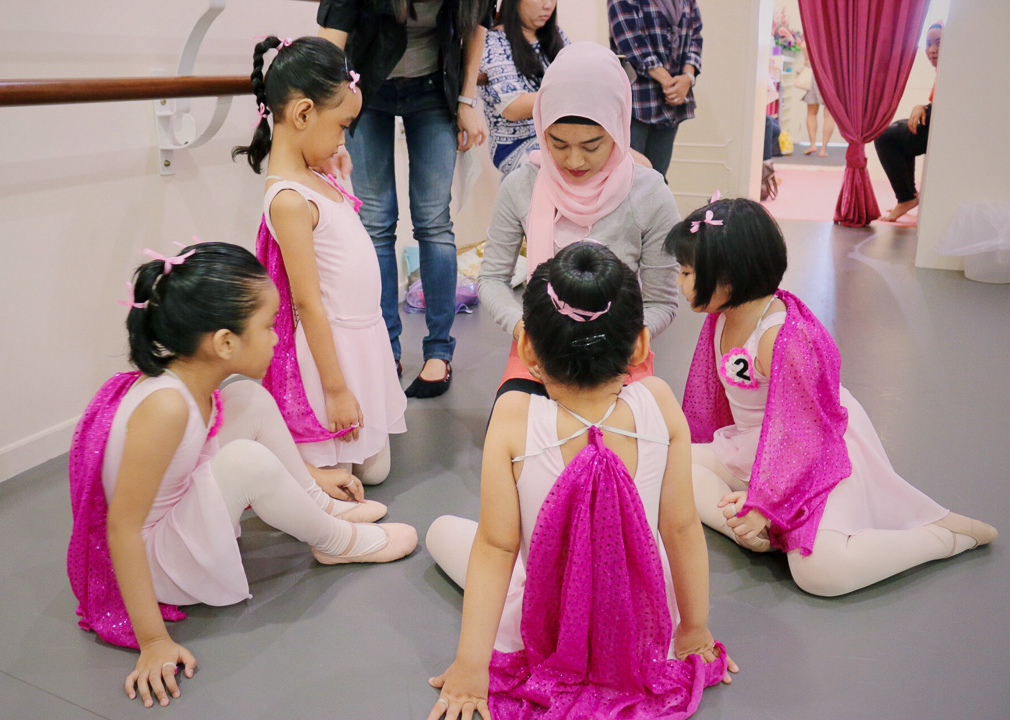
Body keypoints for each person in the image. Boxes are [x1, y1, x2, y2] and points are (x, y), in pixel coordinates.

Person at [67, 242, 417, 708]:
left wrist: (308, 473)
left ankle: (314, 502)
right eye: (268, 326)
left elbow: (205, 442)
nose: (276, 337)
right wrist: (153, 641)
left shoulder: (187, 379)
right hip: (155, 564)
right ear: (225, 343)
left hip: (172, 515)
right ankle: (336, 541)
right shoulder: (166, 407)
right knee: (245, 461)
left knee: (249, 399)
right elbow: (122, 528)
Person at [425, 242, 736, 720]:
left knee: (441, 531)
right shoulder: (658, 400)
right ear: (640, 345)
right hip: (642, 622)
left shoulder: (513, 415)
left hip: (548, 623)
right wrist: (693, 631)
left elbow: (497, 547)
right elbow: (680, 529)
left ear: (527, 347)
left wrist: (472, 665)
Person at [666, 198, 997, 597]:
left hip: (818, 454)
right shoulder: (722, 316)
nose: (679, 282)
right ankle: (755, 533)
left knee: (820, 573)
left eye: (687, 272)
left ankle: (943, 537)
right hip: (759, 447)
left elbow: (808, 436)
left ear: (728, 278)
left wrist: (767, 502)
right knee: (665, 462)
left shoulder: (783, 338)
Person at [233, 36, 406, 484]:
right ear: (303, 114)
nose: (343, 139)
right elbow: (307, 303)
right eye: (341, 126)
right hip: (334, 353)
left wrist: (335, 168)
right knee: (342, 481)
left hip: (363, 338)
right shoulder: (288, 200)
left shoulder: (314, 176)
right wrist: (336, 390)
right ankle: (297, 467)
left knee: (377, 472)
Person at [478, 41, 680, 400]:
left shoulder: (649, 193)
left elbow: (662, 302)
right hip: (541, 342)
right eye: (557, 144)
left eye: (591, 146)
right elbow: (492, 279)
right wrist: (526, 330)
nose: (574, 161)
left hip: (619, 349)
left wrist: (620, 338)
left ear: (618, 130)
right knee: (515, 424)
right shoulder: (521, 186)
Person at [317, 0, 495, 398]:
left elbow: (475, 26)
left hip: (433, 88)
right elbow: (328, 45)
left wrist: (467, 100)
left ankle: (439, 351)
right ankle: (385, 348)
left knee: (434, 222)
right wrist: (328, 123)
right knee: (376, 222)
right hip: (366, 90)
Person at [608, 0, 703, 179]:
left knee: (658, 178)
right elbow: (630, 40)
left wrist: (687, 78)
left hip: (671, 103)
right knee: (630, 179)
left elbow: (695, 36)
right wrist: (669, 83)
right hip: (636, 103)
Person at [479, 0, 569, 175]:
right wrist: (569, 92)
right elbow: (513, 106)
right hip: (515, 143)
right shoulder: (495, 42)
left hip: (561, 133)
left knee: (618, 156)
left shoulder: (557, 36)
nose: (548, 5)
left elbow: (580, 79)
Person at [875, 23, 942, 222]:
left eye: (939, 43)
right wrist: (923, 107)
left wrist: (923, 107)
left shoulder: (954, 71)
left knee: (885, 137)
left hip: (941, 129)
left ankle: (906, 197)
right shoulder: (944, 70)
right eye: (928, 44)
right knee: (898, 128)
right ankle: (908, 195)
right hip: (937, 121)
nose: (932, 50)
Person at [800, 41, 836, 157]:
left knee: (811, 112)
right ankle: (823, 149)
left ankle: (812, 145)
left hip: (813, 74)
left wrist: (806, 58)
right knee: (829, 115)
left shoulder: (813, 34)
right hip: (830, 75)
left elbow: (804, 45)